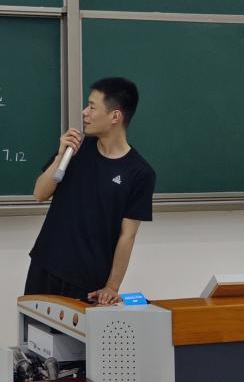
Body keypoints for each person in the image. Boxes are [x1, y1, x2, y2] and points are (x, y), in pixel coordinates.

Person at [26, 77, 156, 306]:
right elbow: (40, 194)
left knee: (76, 331)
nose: (84, 113)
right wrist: (60, 156)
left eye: (92, 107)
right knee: (34, 329)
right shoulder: (75, 150)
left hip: (87, 279)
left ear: (115, 116)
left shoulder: (140, 173)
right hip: (45, 264)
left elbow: (127, 235)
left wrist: (112, 286)